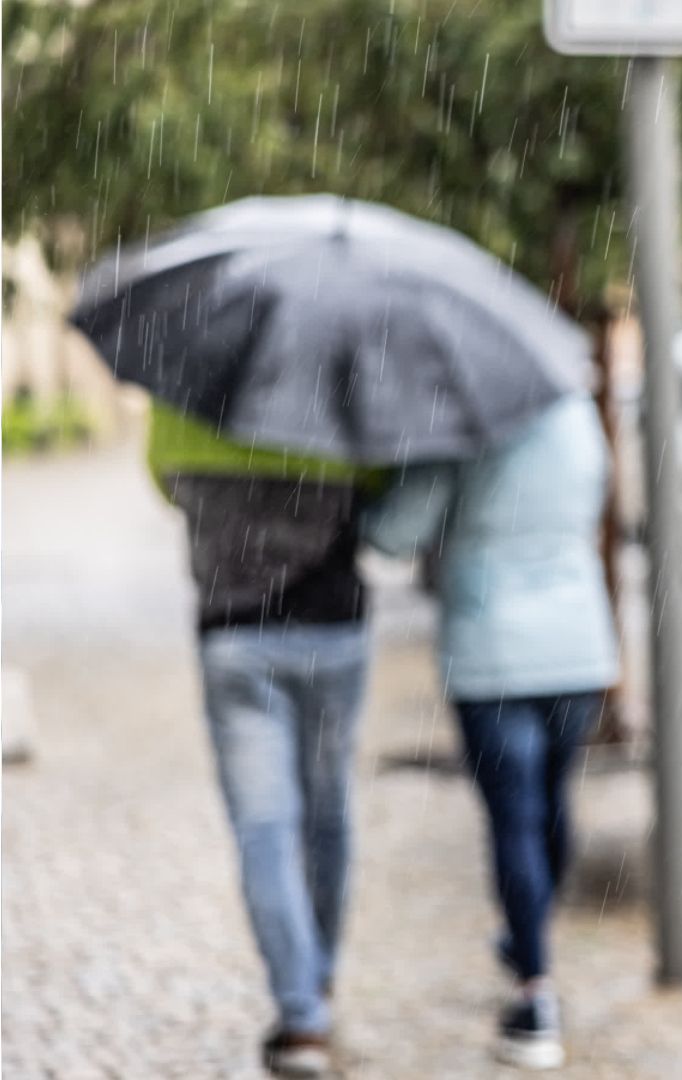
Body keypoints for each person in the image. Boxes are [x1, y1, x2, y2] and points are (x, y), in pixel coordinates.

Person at [365, 393, 617, 1071]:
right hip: (577, 643)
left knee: (514, 817)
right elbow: (594, 497)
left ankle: (535, 995)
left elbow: (396, 532)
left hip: (491, 647)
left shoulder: (458, 420)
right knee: (552, 802)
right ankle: (528, 932)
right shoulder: (576, 415)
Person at [148, 404, 378, 1079]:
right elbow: (384, 478)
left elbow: (164, 480)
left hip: (234, 628)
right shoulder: (339, 378)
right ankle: (321, 976)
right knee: (327, 812)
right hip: (333, 625)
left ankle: (301, 1016)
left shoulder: (186, 386)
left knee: (264, 828)